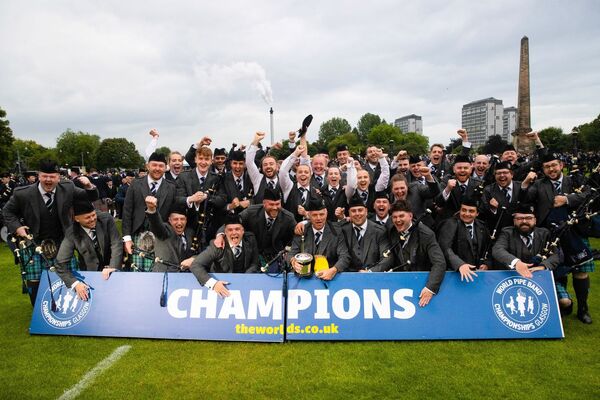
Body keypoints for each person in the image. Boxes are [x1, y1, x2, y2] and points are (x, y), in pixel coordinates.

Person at [2, 160, 99, 304]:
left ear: (58, 177)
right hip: (34, 243)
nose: (48, 180)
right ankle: (38, 314)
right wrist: (17, 227)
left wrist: (89, 185)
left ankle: (70, 312)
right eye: (44, 176)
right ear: (38, 176)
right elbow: (7, 211)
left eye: (52, 176)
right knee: (35, 282)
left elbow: (90, 197)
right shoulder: (23, 193)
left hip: (63, 241)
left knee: (69, 276)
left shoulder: (68, 188)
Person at [521, 152, 593, 323]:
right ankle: (563, 304)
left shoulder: (574, 180)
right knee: (556, 270)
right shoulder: (539, 185)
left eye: (554, 165)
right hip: (551, 234)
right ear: (543, 170)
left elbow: (590, 194)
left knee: (581, 271)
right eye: (547, 167)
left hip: (576, 231)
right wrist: (524, 184)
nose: (551, 169)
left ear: (561, 165)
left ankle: (583, 308)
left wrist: (567, 199)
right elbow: (524, 199)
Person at [372, 200, 446, 307]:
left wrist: (430, 288)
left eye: (401, 216)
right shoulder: (390, 228)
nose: (398, 220)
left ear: (410, 216)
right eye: (394, 217)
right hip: (398, 286)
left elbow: (439, 263)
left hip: (421, 284)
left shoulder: (426, 234)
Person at [54, 200, 121, 300]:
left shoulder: (106, 219)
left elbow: (116, 243)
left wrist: (113, 266)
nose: (92, 219)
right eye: (87, 217)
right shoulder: (71, 233)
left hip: (113, 271)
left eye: (93, 215)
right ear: (76, 219)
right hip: (89, 274)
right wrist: (75, 283)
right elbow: (60, 264)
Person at [122, 152, 177, 271]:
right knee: (137, 271)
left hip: (160, 237)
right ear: (148, 166)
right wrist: (127, 238)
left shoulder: (171, 187)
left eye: (161, 166)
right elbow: (127, 212)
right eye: (154, 165)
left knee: (157, 270)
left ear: (166, 167)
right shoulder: (136, 184)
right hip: (138, 234)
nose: (157, 168)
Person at [189, 214, 260, 297]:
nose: (234, 233)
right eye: (230, 230)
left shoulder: (250, 239)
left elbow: (255, 263)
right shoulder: (217, 246)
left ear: (242, 231)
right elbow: (195, 265)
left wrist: (244, 278)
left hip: (245, 287)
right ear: (225, 233)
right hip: (222, 287)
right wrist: (214, 284)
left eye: (237, 229)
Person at [492, 204, 560, 288]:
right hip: (511, 279)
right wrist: (516, 262)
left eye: (528, 218)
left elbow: (556, 254)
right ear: (514, 221)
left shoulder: (544, 233)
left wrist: (543, 266)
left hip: (540, 277)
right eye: (519, 218)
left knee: (565, 301)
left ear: (535, 220)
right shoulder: (507, 233)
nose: (524, 221)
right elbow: (497, 249)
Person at [288, 195, 350, 280]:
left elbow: (344, 256)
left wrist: (333, 270)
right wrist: (293, 262)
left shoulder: (336, 231)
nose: (319, 218)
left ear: (326, 213)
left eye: (321, 214)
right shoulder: (302, 230)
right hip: (305, 279)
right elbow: (291, 253)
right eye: (315, 215)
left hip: (329, 278)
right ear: (309, 215)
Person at [437, 198, 492, 282]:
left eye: (471, 211)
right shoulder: (449, 224)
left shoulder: (482, 227)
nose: (466, 214)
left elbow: (489, 248)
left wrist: (486, 264)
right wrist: (460, 265)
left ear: (477, 213)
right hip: (454, 274)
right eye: (464, 210)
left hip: (477, 275)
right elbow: (445, 248)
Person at [339, 195, 392, 271]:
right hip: (349, 278)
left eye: (360, 210)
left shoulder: (380, 231)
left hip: (373, 278)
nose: (357, 214)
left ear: (366, 211)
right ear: (349, 214)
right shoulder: (343, 231)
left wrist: (370, 272)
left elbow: (387, 258)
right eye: (353, 211)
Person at [146, 196, 197, 272]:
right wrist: (152, 209)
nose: (179, 223)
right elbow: (156, 223)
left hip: (185, 277)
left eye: (182, 219)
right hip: (163, 276)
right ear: (169, 220)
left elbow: (200, 253)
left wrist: (193, 259)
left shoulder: (191, 233)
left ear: (186, 220)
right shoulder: (164, 230)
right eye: (175, 219)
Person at [479, 161, 525, 232]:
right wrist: (492, 209)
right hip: (498, 230)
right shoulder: (488, 190)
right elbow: (482, 213)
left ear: (512, 174)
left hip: (519, 230)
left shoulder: (521, 187)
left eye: (505, 173)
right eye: (498, 173)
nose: (502, 175)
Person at [246, 132, 281, 204]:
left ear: (277, 167)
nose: (268, 166)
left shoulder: (284, 180)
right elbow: (249, 162)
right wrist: (256, 140)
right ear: (261, 168)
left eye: (271, 164)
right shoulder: (257, 179)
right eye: (265, 164)